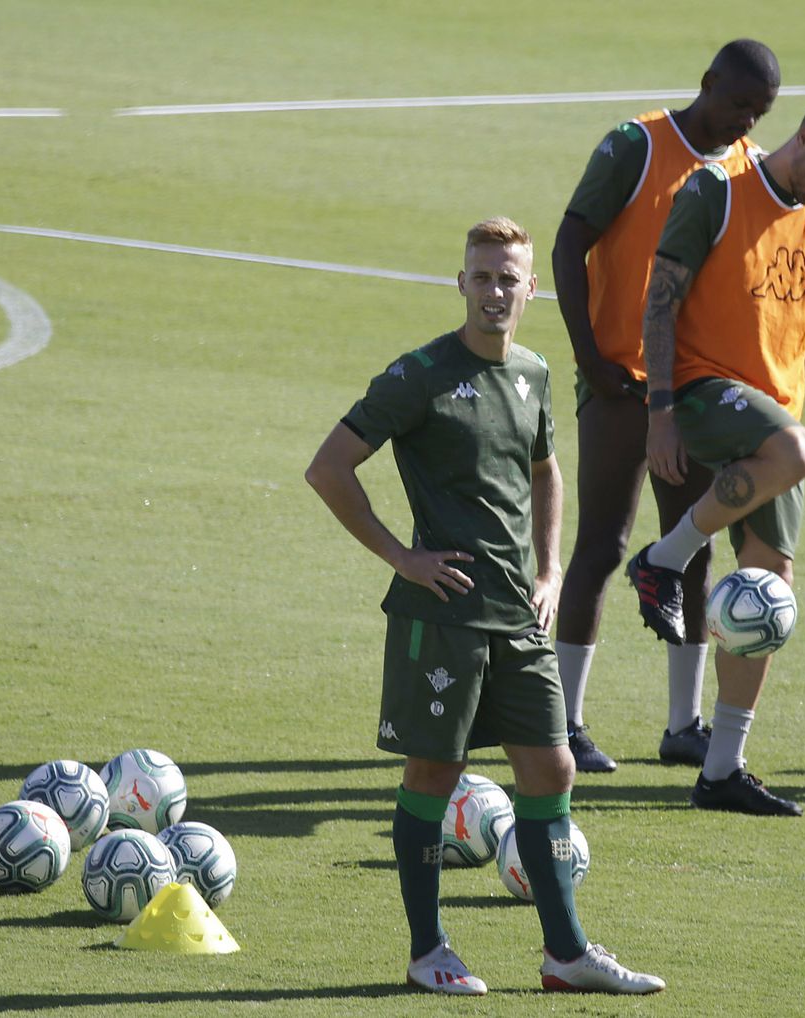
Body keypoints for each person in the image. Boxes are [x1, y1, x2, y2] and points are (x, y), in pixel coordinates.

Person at [305, 217, 664, 994]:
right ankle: (427, 950)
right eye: (483, 276)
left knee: (553, 764)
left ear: (531, 289)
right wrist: (402, 556)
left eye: (511, 279)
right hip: (443, 616)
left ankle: (565, 957)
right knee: (436, 770)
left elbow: (546, 471)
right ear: (460, 282)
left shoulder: (532, 372)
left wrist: (552, 567)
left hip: (517, 613)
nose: (496, 291)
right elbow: (329, 467)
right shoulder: (419, 375)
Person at [626, 87, 805, 816]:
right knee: (790, 451)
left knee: (768, 593)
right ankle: (666, 558)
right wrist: (663, 413)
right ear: (802, 138)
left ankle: (720, 770)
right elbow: (660, 303)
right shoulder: (714, 192)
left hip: (778, 424)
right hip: (705, 391)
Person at [552, 39, 781, 774]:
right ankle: (564, 724)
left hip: (694, 394)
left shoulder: (747, 169)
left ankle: (683, 725)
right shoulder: (635, 146)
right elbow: (567, 243)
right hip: (620, 386)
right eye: (737, 102)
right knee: (604, 545)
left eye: (759, 112)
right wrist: (590, 359)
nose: (744, 122)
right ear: (707, 83)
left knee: (691, 547)